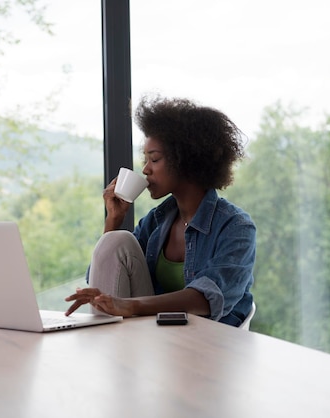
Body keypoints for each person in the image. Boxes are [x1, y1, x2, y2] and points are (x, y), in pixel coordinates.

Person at [65, 95, 256, 327]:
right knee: (118, 240)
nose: (145, 170)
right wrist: (113, 220)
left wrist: (130, 305)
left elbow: (208, 298)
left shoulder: (236, 227)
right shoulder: (157, 221)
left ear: (185, 160)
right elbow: (104, 279)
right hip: (154, 338)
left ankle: (111, 355)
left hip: (208, 342)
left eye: (154, 159)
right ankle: (110, 356)